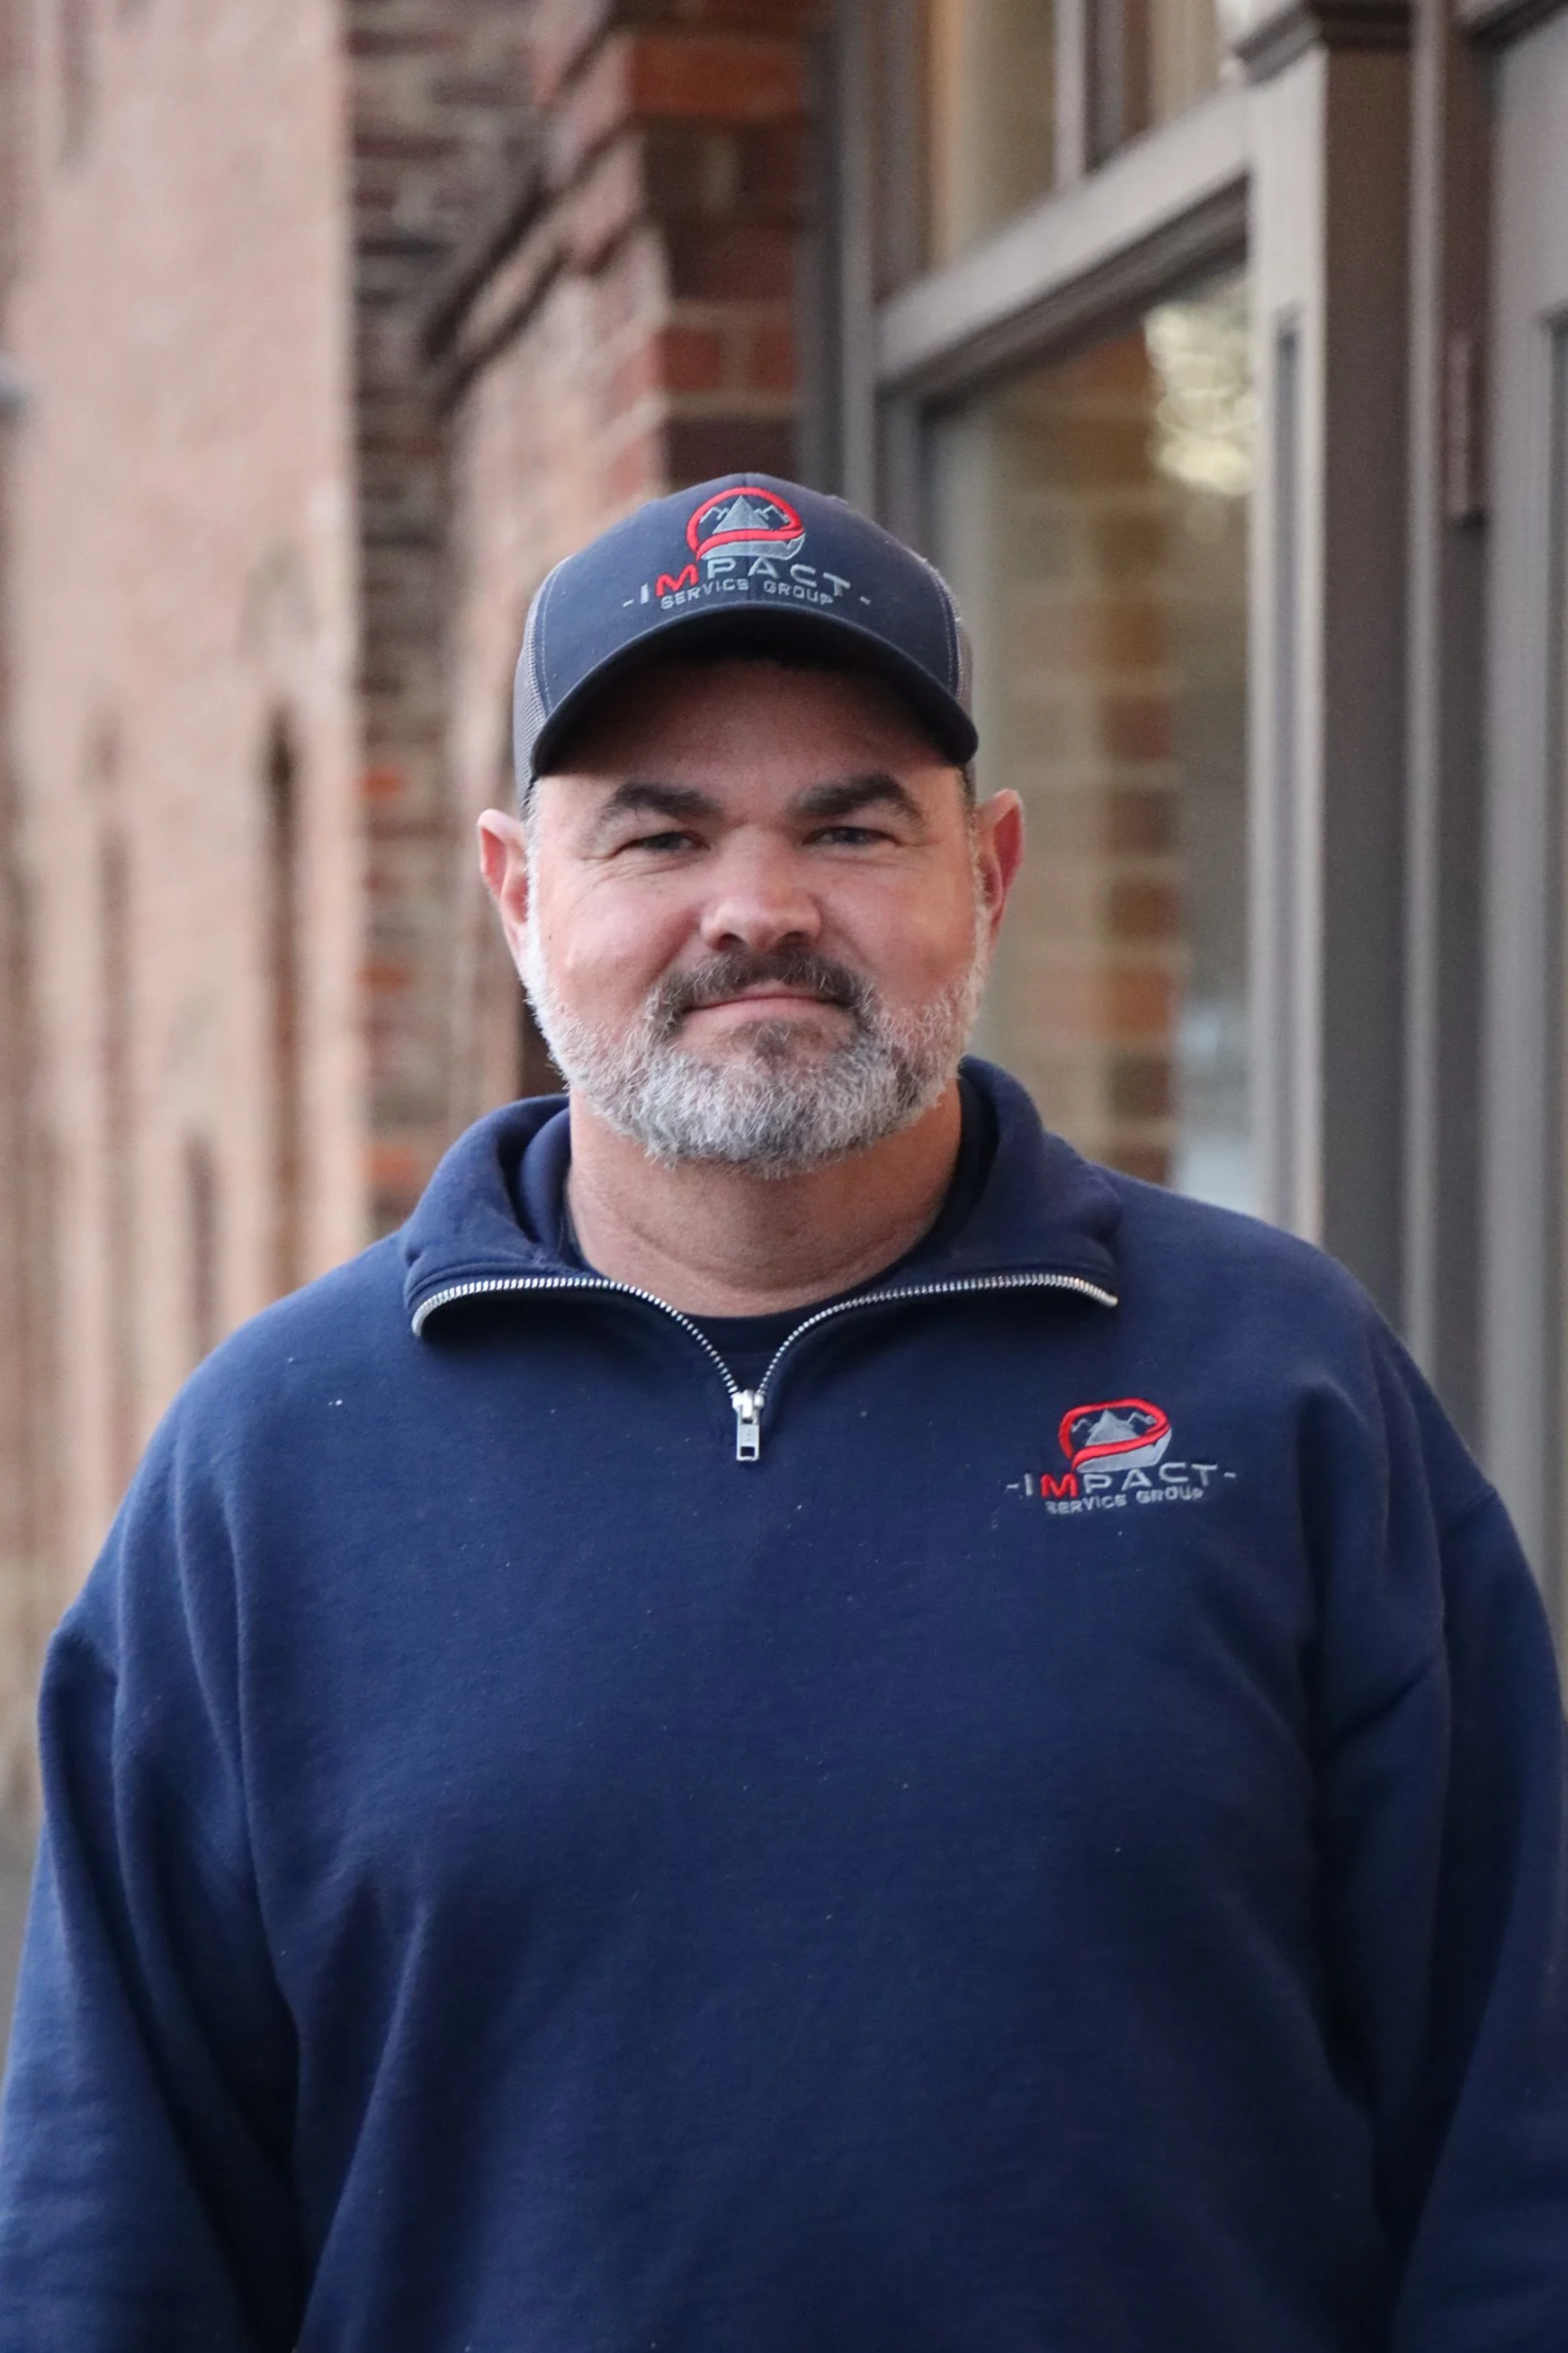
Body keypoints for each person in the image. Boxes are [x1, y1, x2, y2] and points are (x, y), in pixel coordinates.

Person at [0, 473, 1564, 2353]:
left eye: (850, 826)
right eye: (659, 835)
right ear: (517, 892)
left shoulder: (1274, 1381)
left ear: (983, 875)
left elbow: (1516, 2120)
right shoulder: (270, 1465)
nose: (759, 907)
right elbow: (114, 2217)